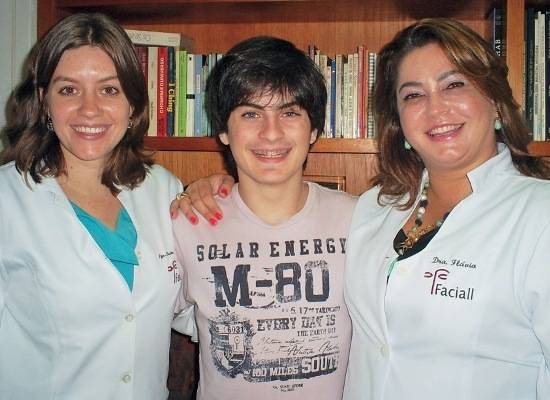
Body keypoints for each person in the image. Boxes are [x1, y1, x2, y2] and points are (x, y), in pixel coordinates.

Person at [343, 18, 550, 399]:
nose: (435, 109)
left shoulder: (541, 215)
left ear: (495, 101)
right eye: (413, 95)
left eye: (454, 85)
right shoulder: (374, 206)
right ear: (399, 120)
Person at [0, 13, 185, 399]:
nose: (89, 110)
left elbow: (193, 308)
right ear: (43, 101)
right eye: (69, 90)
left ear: (133, 103)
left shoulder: (163, 189)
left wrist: (229, 203)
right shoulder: (7, 200)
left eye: (109, 90)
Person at [171, 36, 356, 399]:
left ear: (314, 129)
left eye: (289, 113)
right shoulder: (185, 223)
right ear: (223, 130)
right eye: (251, 114)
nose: (271, 133)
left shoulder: (361, 220)